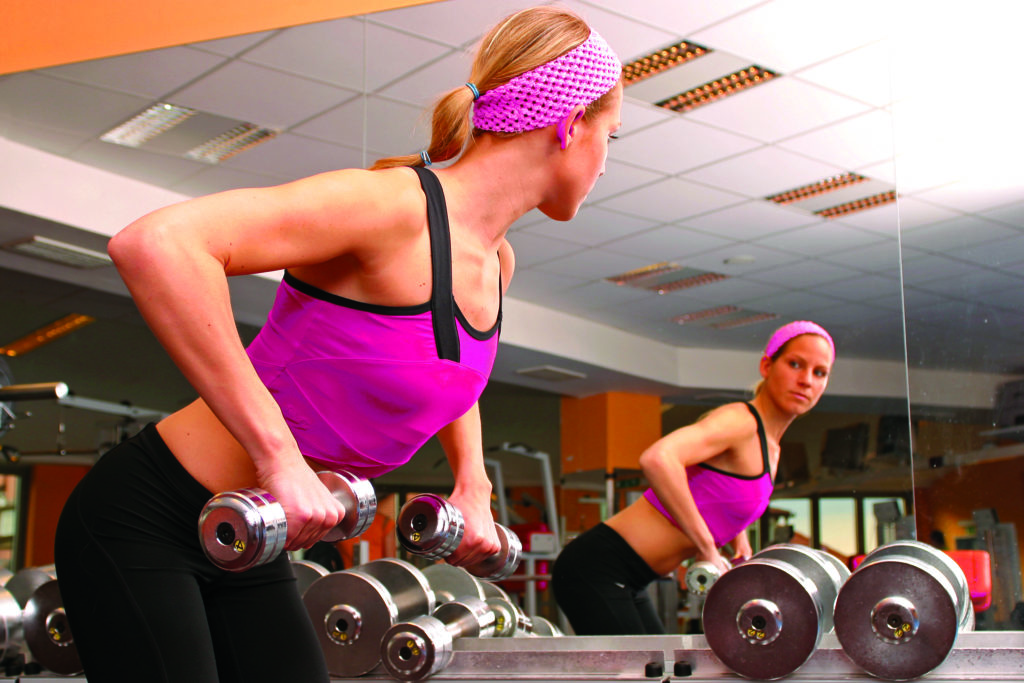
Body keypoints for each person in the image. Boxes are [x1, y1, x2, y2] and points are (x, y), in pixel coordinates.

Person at [53, 7, 623, 682]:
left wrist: (474, 488)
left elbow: (449, 378)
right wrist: (280, 460)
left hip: (250, 540)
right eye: (612, 135)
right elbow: (156, 244)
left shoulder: (495, 262)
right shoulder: (393, 208)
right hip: (148, 516)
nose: (607, 161)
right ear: (571, 123)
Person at [552, 321, 835, 635]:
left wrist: (737, 540)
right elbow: (658, 458)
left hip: (632, 579)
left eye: (819, 372)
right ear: (767, 365)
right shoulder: (741, 421)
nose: (806, 380)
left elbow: (720, 494)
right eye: (795, 364)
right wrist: (707, 547)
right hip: (597, 568)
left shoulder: (771, 448)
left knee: (662, 670)